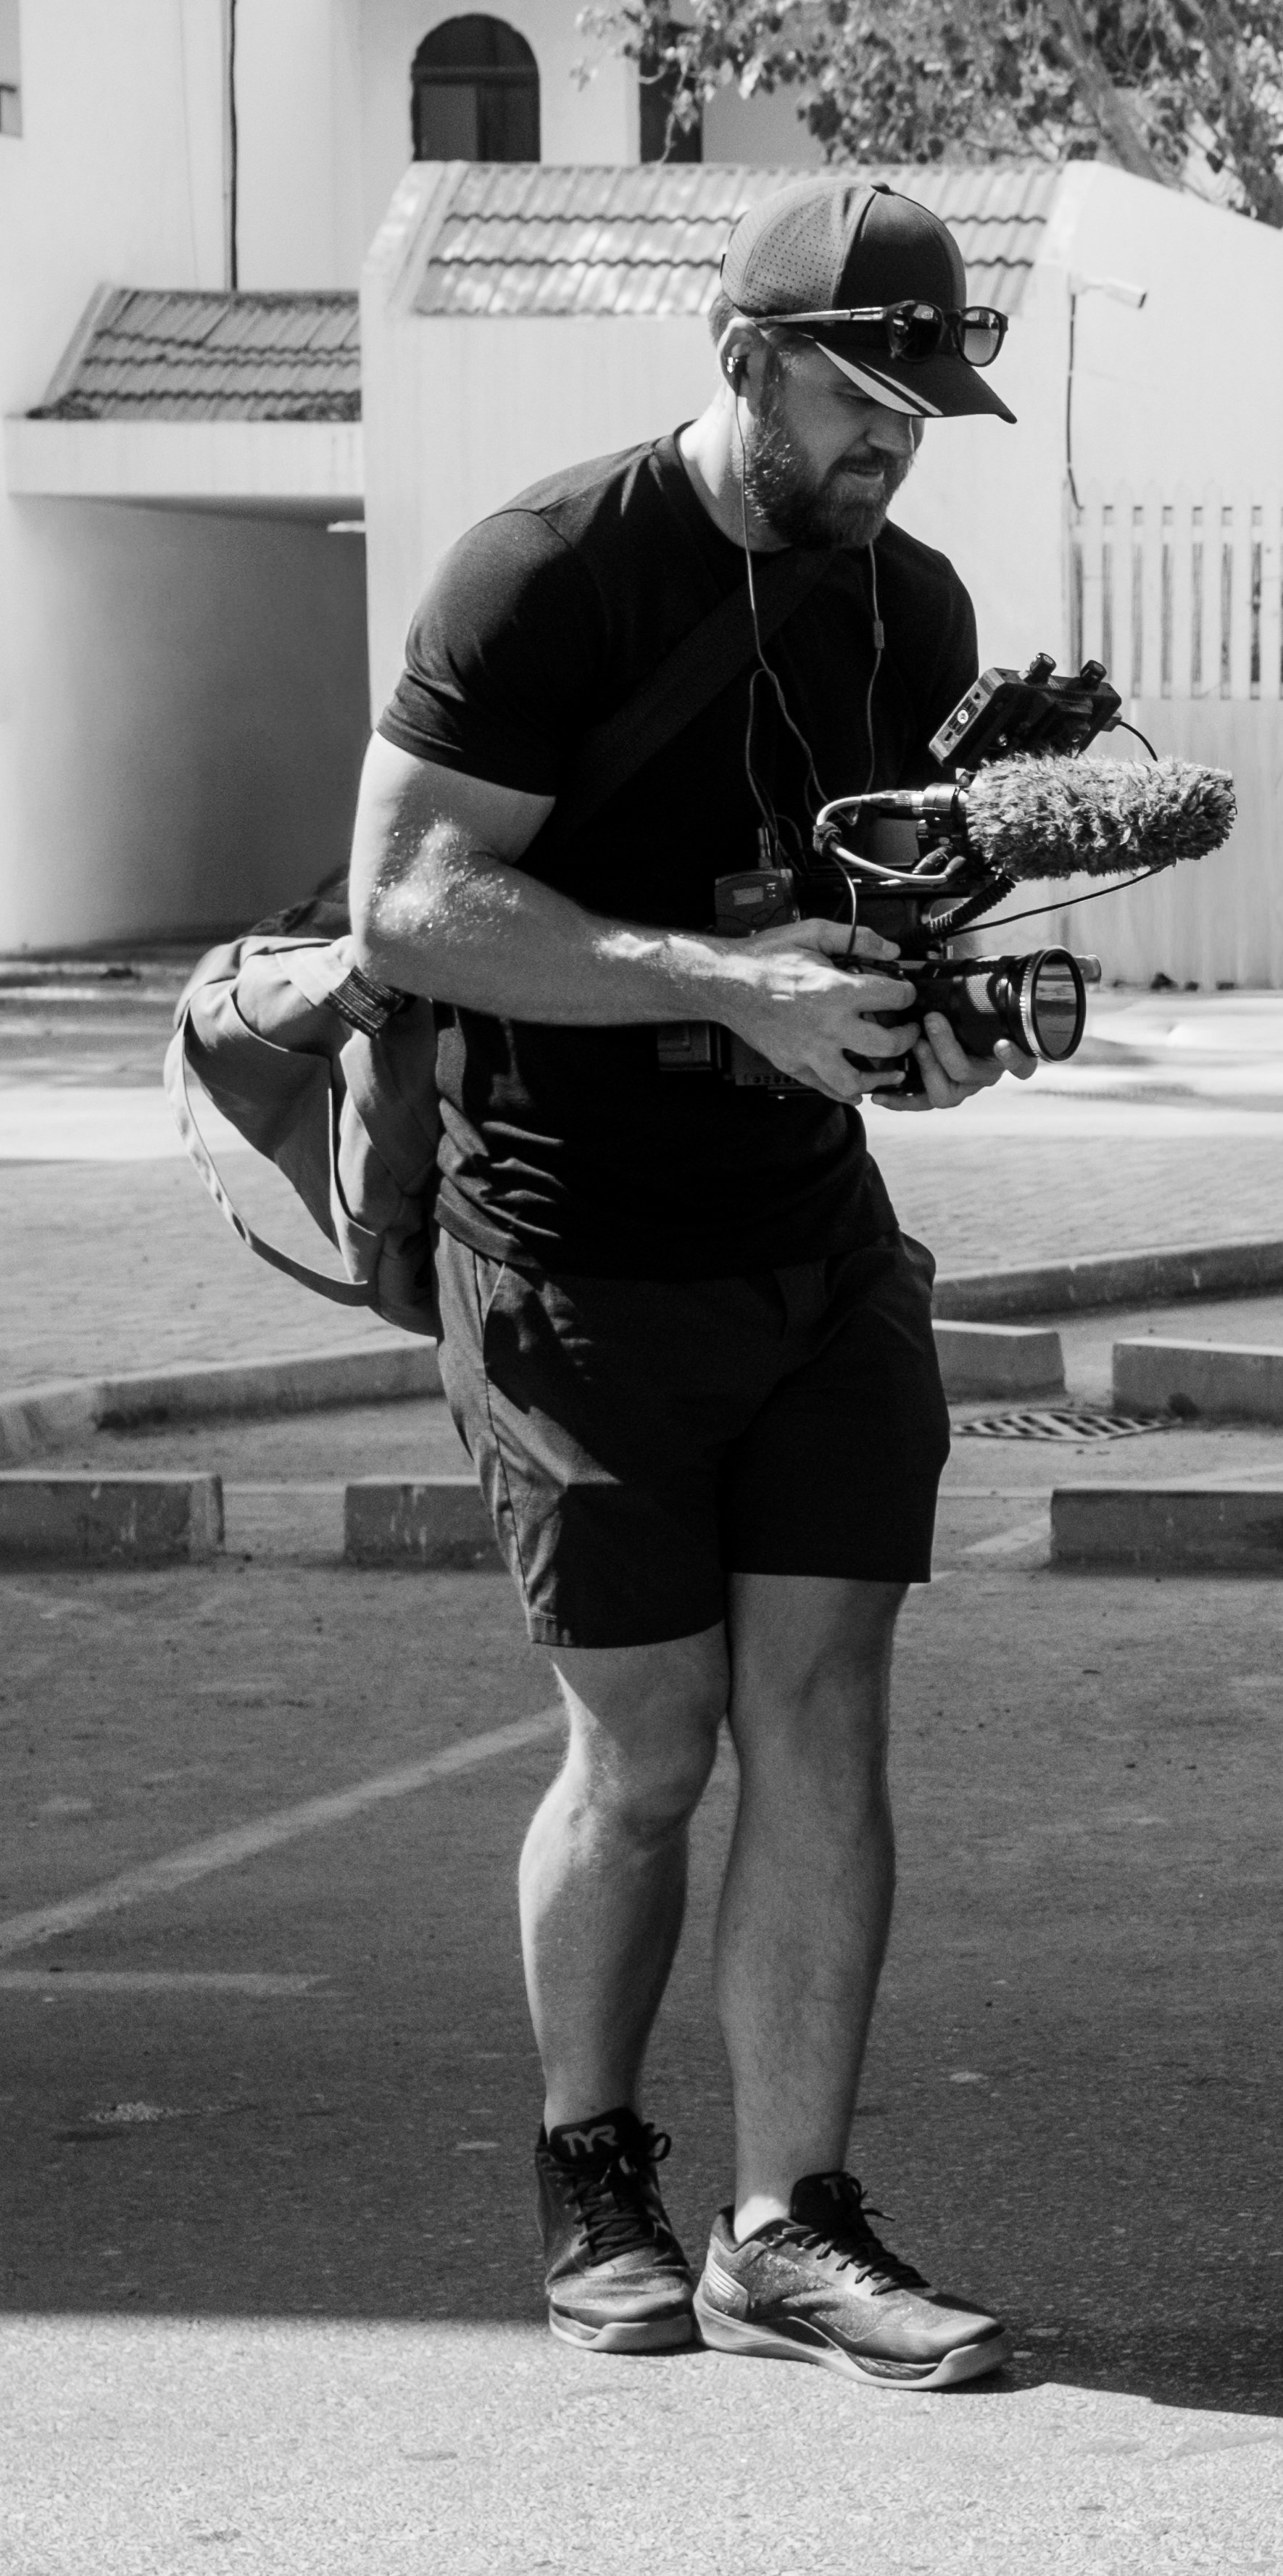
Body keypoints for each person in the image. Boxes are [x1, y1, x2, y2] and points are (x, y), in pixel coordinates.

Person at [349, 175, 1032, 2392]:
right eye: (863, 395)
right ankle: (594, 2163)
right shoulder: (542, 571)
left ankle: (788, 2222)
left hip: (812, 1246)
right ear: (742, 361)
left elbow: (877, 936)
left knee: (822, 1716)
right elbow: (407, 905)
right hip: (565, 1247)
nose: (896, 443)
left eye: (927, 402)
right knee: (642, 1757)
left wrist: (942, 1030)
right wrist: (718, 983)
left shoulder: (903, 613)